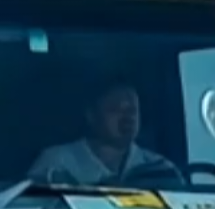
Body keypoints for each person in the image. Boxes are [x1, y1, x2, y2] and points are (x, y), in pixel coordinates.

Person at [32, 80, 179, 188]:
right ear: (91, 116)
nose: (127, 118)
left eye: (132, 110)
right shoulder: (55, 162)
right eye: (115, 110)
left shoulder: (161, 168)